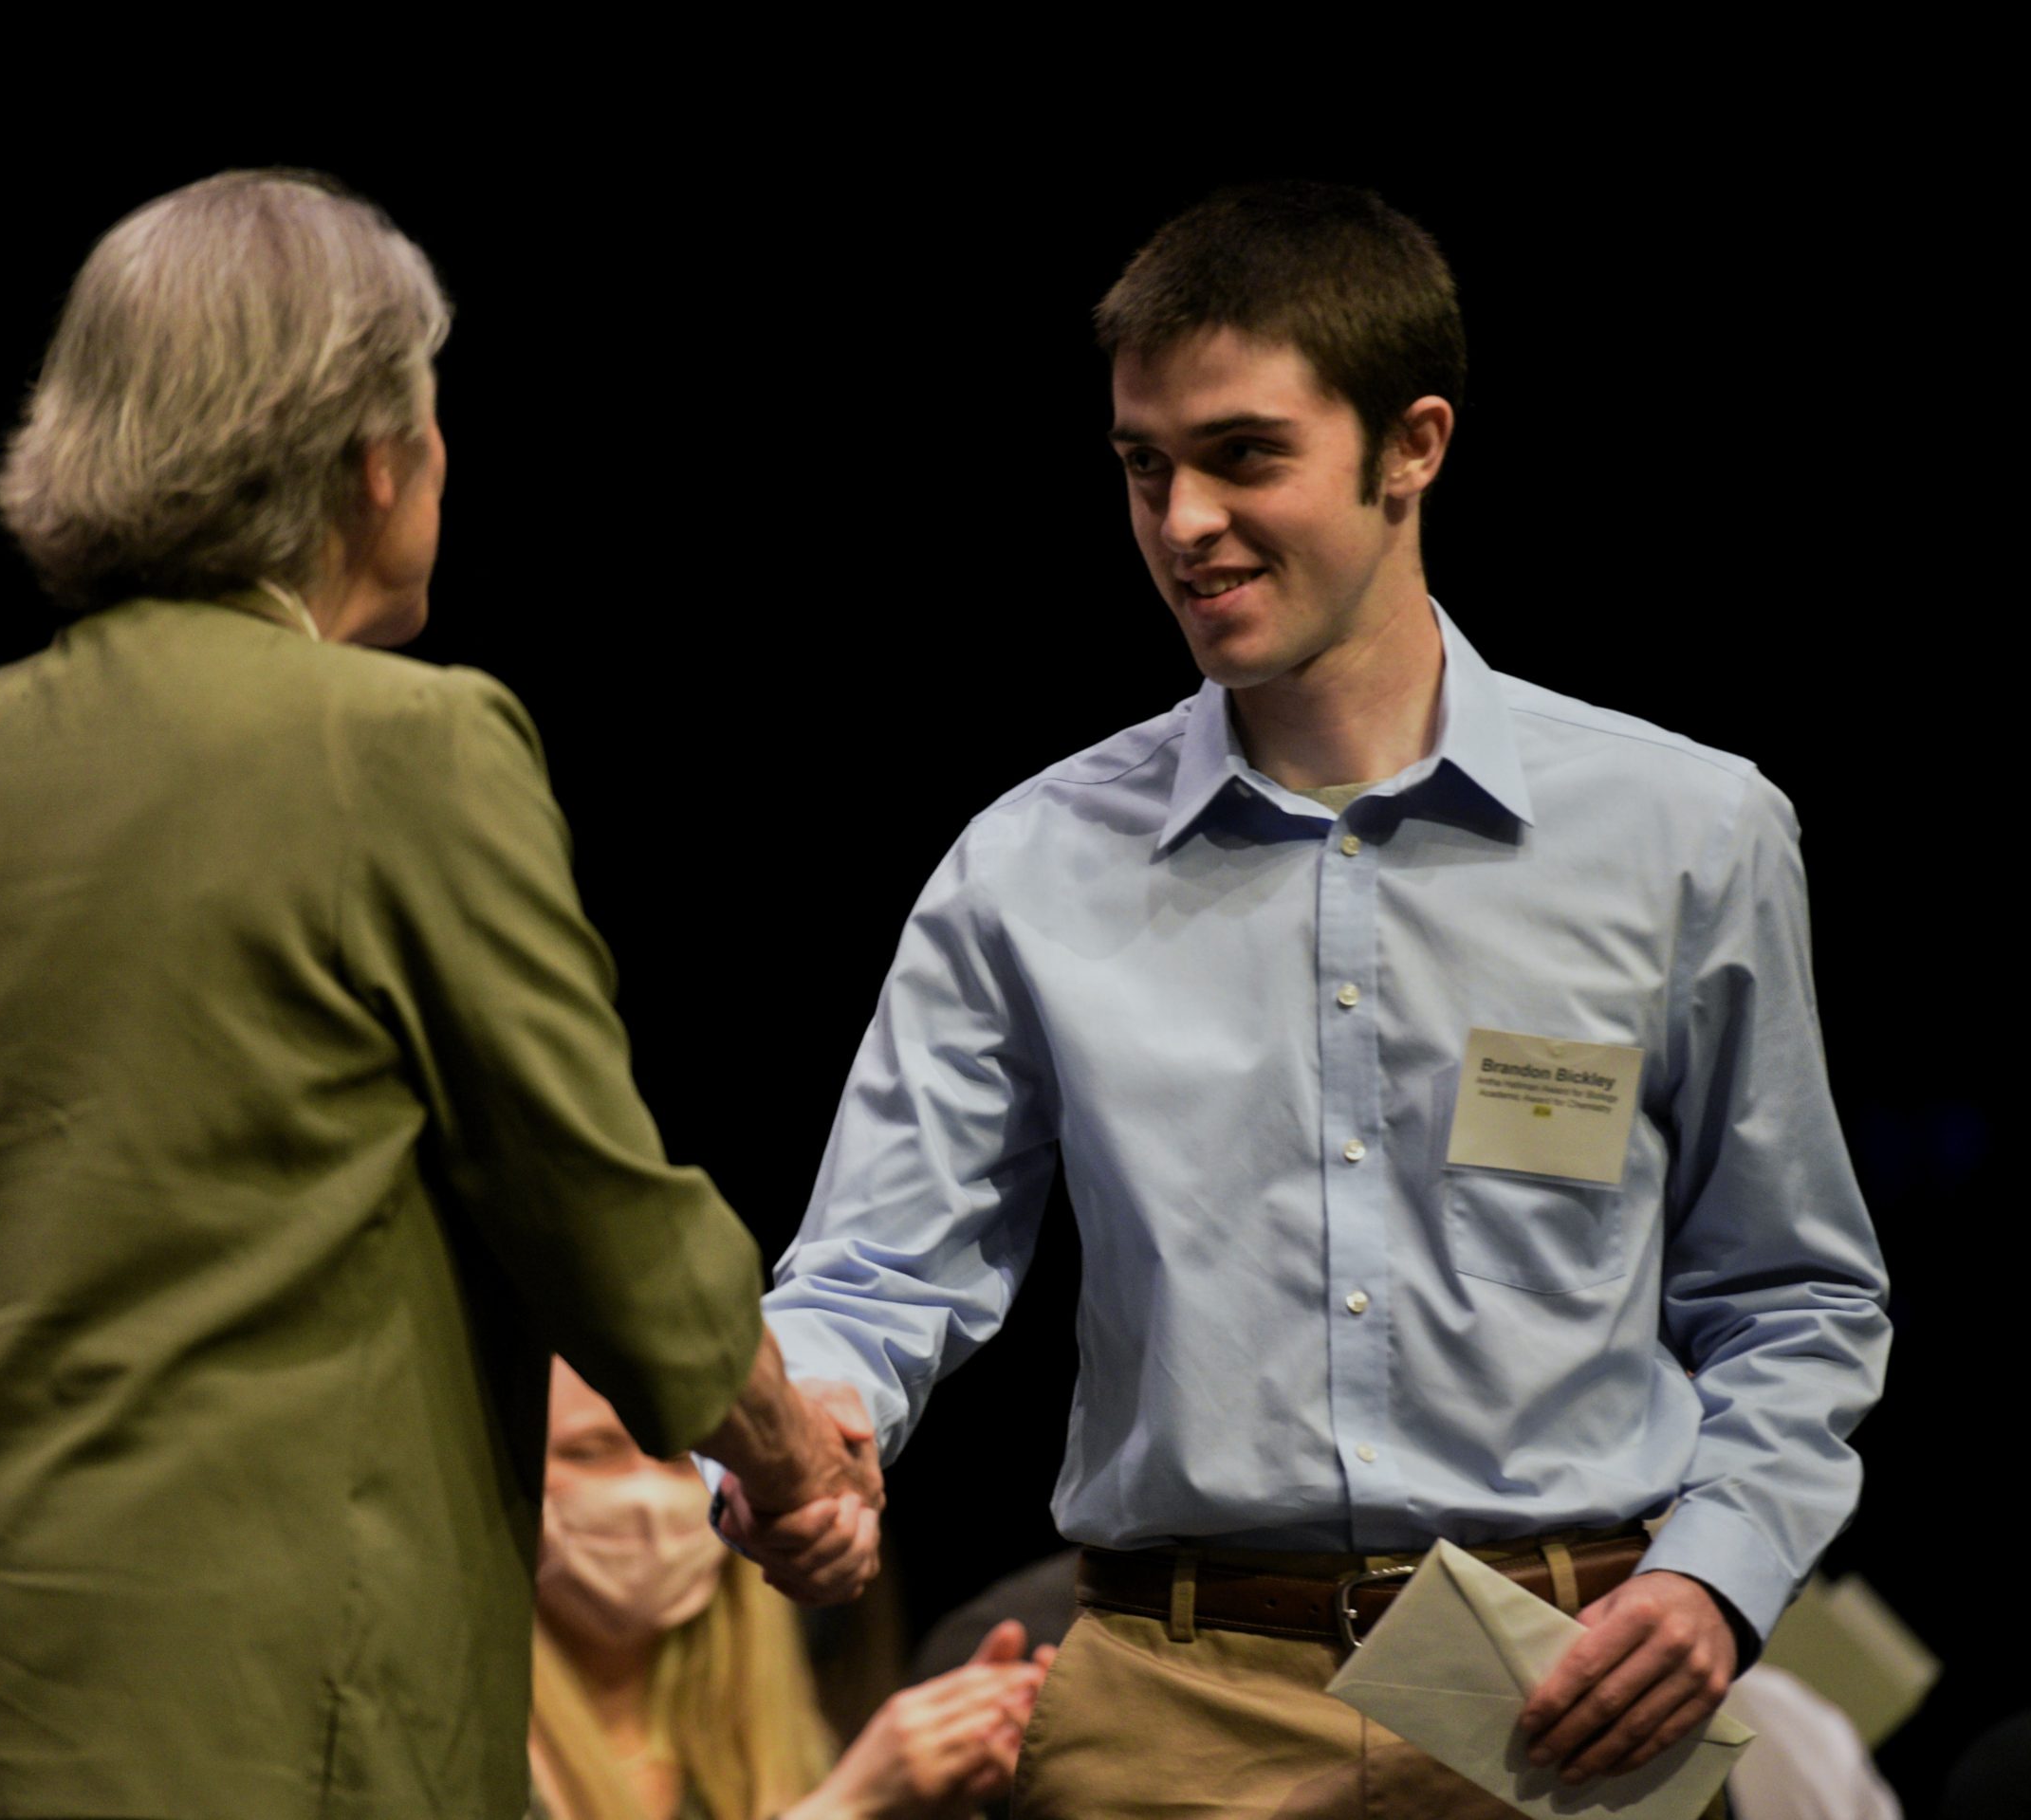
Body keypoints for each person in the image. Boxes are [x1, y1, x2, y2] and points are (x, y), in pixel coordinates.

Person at [722, 180, 1890, 1815]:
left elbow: (1792, 1291)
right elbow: (874, 1267)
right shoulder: (1031, 864)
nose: (1182, 517)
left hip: (1555, 1692)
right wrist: (802, 1440)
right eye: (1144, 465)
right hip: (1174, 1696)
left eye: (1242, 454)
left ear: (1413, 443)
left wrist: (1717, 1570)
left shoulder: (1685, 833)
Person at [0, 169, 874, 1820]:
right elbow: (598, 1208)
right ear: (375, 458)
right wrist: (785, 1460)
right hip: (238, 1722)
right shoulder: (407, 748)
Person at [529, 1360, 1047, 1820]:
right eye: (590, 1452)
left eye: (683, 1456)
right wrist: (851, 1804)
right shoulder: (482, 1745)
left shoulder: (761, 1721)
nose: (646, 1494)